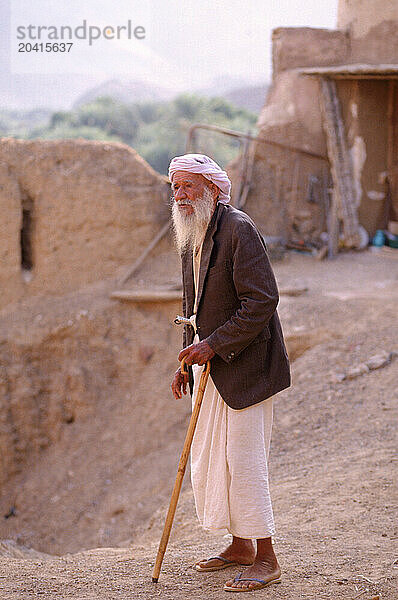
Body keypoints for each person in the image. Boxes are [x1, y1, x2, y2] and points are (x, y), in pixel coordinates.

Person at [169, 153, 290, 593]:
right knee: (216, 460)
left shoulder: (239, 229)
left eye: (189, 187)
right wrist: (186, 356)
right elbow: (193, 308)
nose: (180, 196)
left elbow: (261, 301)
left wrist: (213, 345)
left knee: (244, 462)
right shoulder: (192, 232)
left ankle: (268, 558)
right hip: (212, 369)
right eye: (175, 187)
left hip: (248, 368)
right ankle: (239, 547)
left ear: (213, 190)